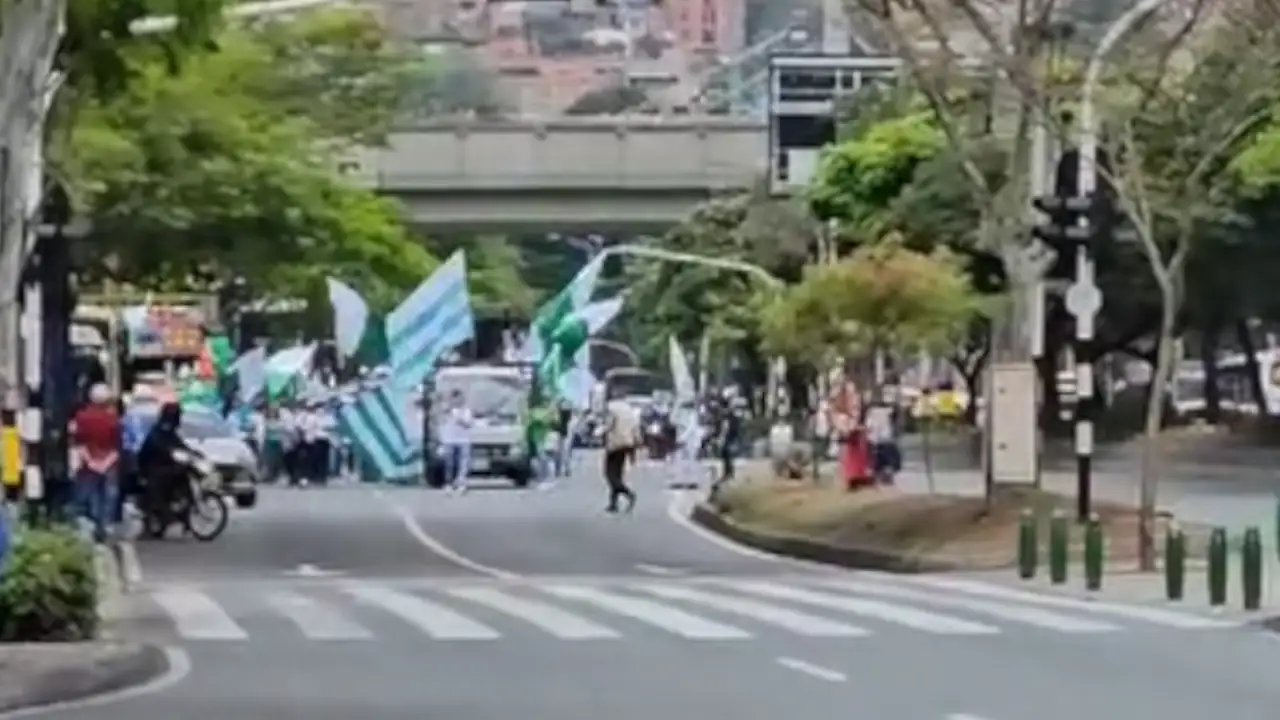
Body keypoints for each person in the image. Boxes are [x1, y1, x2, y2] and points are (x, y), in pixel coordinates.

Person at [136, 402, 201, 532]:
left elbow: (179, 443)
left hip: (168, 464)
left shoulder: (170, 430)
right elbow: (155, 446)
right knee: (161, 482)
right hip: (153, 466)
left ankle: (182, 509)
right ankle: (163, 512)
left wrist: (194, 453)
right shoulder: (158, 430)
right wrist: (169, 451)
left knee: (185, 474)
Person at [71, 384, 122, 543]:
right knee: (108, 496)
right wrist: (106, 462)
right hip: (109, 462)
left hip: (87, 463)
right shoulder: (113, 419)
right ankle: (104, 527)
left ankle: (91, 526)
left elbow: (78, 442)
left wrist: (90, 461)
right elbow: (117, 444)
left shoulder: (81, 418)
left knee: (87, 496)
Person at [602, 389, 640, 512]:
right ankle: (613, 504)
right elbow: (635, 428)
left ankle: (628, 494)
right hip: (627, 443)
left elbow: (609, 424)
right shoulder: (630, 410)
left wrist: (601, 432)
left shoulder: (611, 408)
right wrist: (636, 442)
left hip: (615, 442)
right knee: (617, 473)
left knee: (609, 474)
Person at [829, 379, 872, 490]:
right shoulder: (841, 407)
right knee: (850, 452)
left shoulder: (850, 403)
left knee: (855, 452)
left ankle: (856, 475)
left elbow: (855, 413)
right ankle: (853, 476)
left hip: (853, 430)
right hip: (849, 429)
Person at [438, 389, 473, 493]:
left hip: (463, 440)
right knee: (449, 463)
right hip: (449, 440)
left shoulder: (466, 411)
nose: (457, 401)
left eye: (459, 398)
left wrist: (460, 419)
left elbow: (469, 424)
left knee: (463, 463)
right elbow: (441, 423)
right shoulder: (447, 411)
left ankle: (461, 483)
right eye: (455, 398)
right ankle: (448, 483)